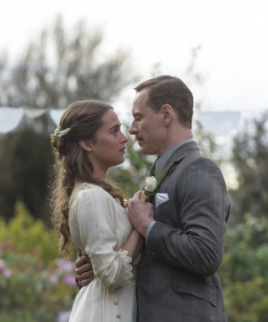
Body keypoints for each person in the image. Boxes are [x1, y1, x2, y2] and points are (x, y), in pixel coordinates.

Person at [75, 75, 231, 322]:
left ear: (166, 115)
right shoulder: (161, 172)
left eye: (138, 117)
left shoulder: (199, 169)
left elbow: (206, 254)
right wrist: (96, 267)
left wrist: (148, 227)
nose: (132, 129)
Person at [50, 100, 143, 322]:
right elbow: (111, 275)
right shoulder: (90, 197)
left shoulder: (100, 195)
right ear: (86, 143)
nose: (124, 138)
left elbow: (105, 262)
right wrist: (141, 228)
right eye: (114, 131)